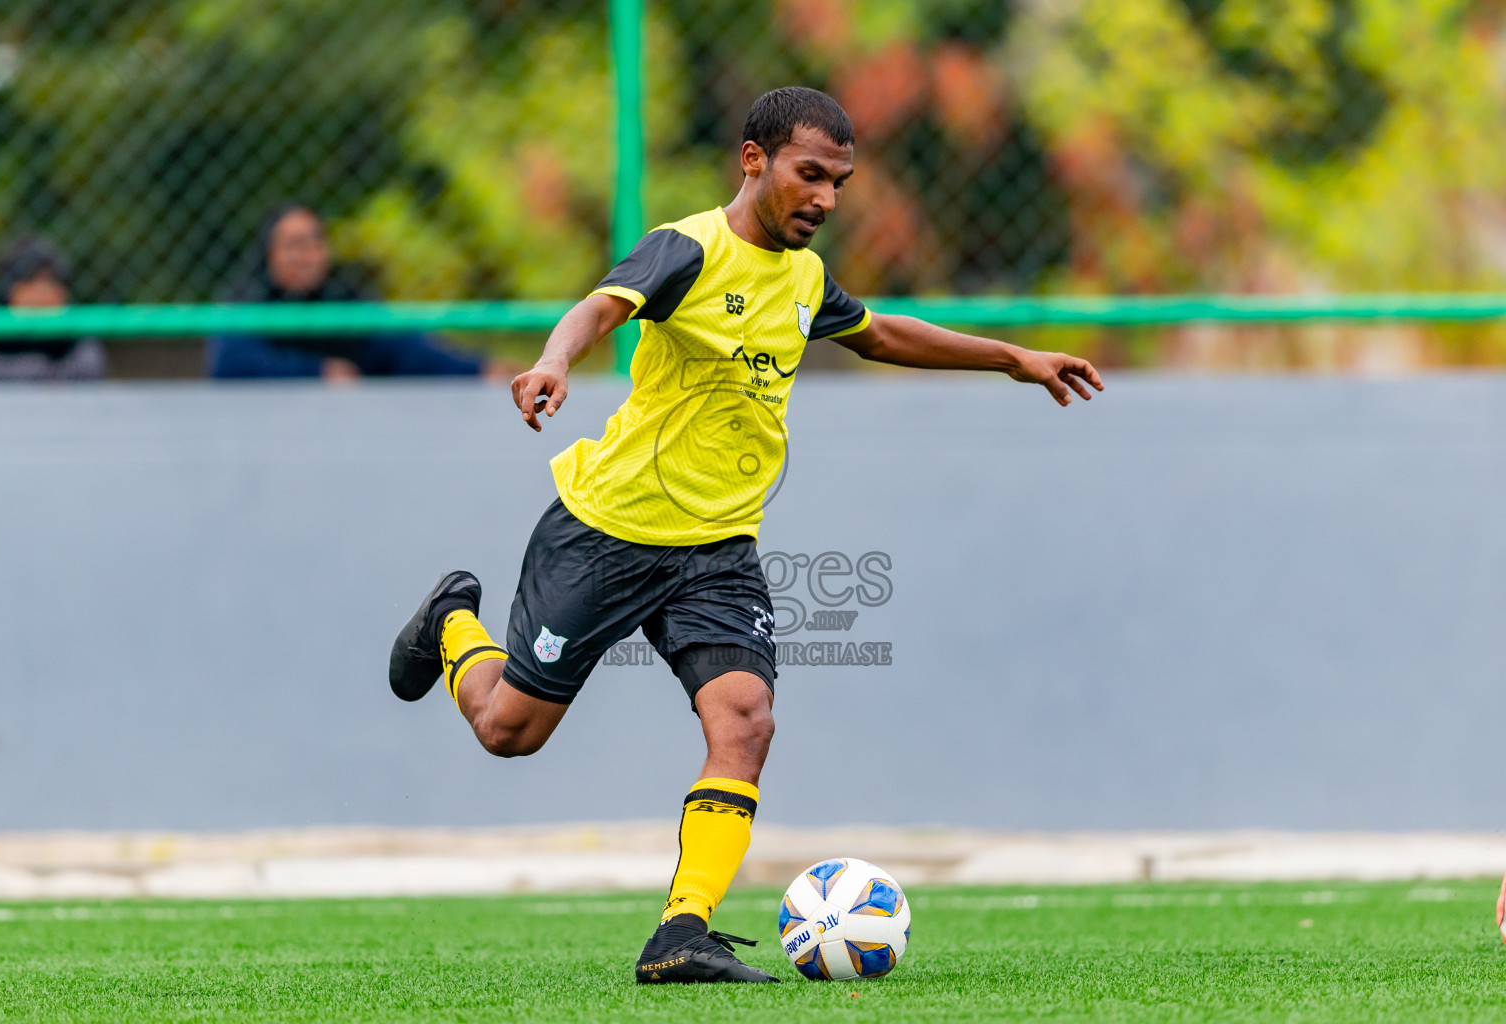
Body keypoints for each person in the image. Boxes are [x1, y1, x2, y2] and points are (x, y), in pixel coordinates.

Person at [388, 87, 1104, 983]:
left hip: (719, 549)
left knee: (746, 721)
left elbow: (878, 333)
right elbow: (599, 308)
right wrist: (554, 361)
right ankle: (452, 623)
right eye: (811, 175)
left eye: (840, 183)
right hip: (608, 532)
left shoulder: (805, 278)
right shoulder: (688, 249)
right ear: (754, 160)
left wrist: (1013, 357)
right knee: (507, 732)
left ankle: (680, 935)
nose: (826, 199)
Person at [207, 204, 492, 381]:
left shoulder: (342, 300)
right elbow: (231, 365)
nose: (307, 255)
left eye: (315, 243)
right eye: (294, 244)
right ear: (270, 255)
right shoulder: (247, 303)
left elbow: (404, 346)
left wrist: (478, 371)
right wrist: (318, 372)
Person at [0, 238, 105, 382]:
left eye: (51, 281)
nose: (43, 292)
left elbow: (89, 370)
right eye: (31, 280)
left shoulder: (77, 342)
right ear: (8, 288)